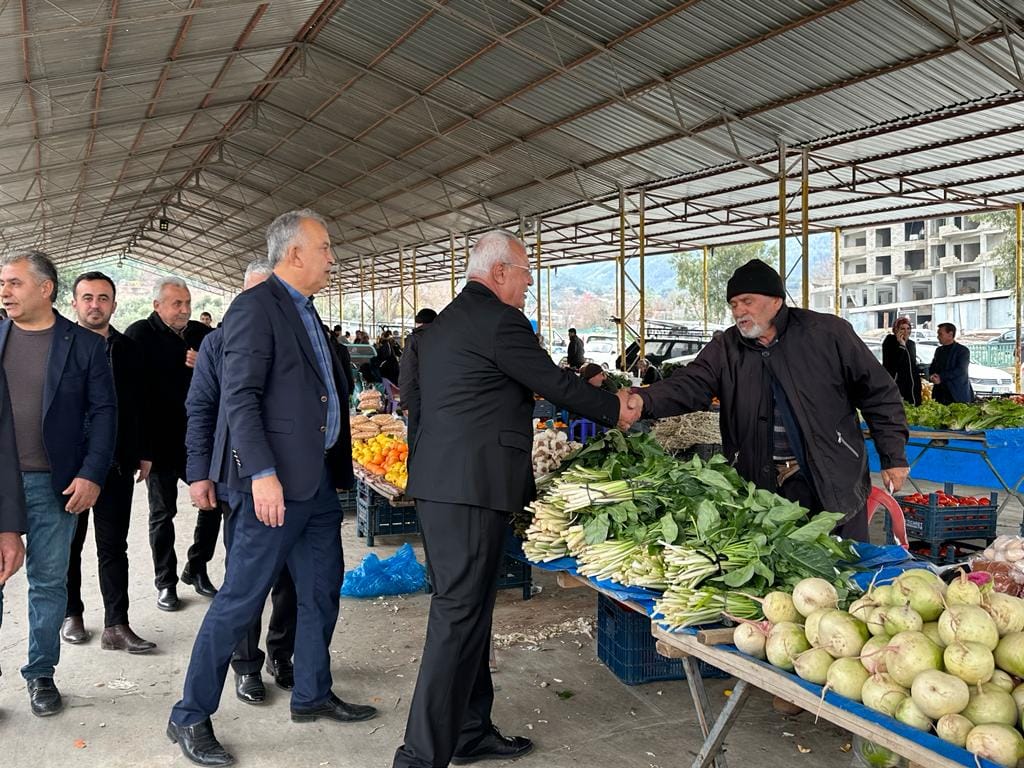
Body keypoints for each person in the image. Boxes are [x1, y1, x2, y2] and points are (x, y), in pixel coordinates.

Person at [392, 230, 638, 768]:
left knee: (471, 612)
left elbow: (416, 402)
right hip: (471, 489)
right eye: (526, 272)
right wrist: (612, 408)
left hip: (440, 486)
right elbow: (551, 381)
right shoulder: (500, 322)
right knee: (457, 616)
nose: (529, 282)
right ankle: (418, 756)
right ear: (499, 271)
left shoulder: (438, 329)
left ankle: (468, 731)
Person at [167, 210, 375, 767]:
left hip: (316, 485)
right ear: (295, 254)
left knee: (322, 589)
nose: (333, 257)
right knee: (241, 600)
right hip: (274, 488)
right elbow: (239, 397)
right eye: (325, 247)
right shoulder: (255, 308)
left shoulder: (304, 311)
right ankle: (189, 715)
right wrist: (260, 473)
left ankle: (310, 691)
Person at [621, 258, 909, 543]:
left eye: (747, 301)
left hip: (830, 476)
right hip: (763, 483)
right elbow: (691, 383)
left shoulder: (827, 334)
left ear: (776, 300)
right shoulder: (726, 347)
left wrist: (893, 455)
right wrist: (644, 400)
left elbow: (879, 392)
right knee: (780, 575)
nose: (739, 311)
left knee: (846, 570)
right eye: (733, 304)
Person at [0, 250, 116, 716]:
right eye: (2, 283)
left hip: (55, 484)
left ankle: (41, 675)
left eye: (13, 282)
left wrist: (91, 473)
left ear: (45, 289)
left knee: (48, 583)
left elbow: (106, 412)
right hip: (0, 479)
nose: (4, 290)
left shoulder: (82, 345)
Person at [185, 259, 297, 707]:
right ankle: (246, 664)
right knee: (246, 576)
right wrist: (199, 472)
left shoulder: (298, 337)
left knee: (289, 576)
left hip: (294, 479)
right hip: (238, 478)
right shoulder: (217, 343)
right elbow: (201, 409)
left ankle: (281, 655)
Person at [61, 272, 156, 654]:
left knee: (113, 547)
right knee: (69, 543)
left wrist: (145, 451)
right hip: (70, 465)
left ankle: (116, 624)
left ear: (113, 305)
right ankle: (72, 614)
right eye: (87, 298)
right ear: (75, 303)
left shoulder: (129, 349)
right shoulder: (60, 347)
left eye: (103, 298)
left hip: (117, 463)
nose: (95, 305)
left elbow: (142, 405)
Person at [125, 277, 218, 611]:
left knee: (212, 503)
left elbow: (226, 378)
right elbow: (133, 396)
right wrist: (142, 450)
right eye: (176, 303)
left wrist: (206, 364)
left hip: (199, 439)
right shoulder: (138, 336)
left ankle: (197, 566)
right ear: (157, 306)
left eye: (187, 303)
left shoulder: (202, 335)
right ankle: (165, 582)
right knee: (162, 513)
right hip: (159, 443)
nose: (184, 310)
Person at [397, 307, 437, 447]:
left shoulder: (415, 340)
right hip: (441, 397)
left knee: (416, 440)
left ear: (418, 322)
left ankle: (415, 468)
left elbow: (408, 372)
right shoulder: (445, 338)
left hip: (418, 397)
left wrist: (406, 402)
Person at [929, 322, 973, 404]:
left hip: (956, 393)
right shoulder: (939, 350)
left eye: (940, 334)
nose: (938, 337)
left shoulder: (962, 351)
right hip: (940, 394)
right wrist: (931, 375)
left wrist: (941, 377)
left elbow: (961, 370)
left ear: (950, 334)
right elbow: (933, 366)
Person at [882, 317, 921, 406]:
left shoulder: (911, 344)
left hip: (912, 384)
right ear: (896, 330)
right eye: (902, 329)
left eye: (908, 328)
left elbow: (912, 364)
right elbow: (892, 363)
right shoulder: (889, 341)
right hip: (898, 383)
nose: (906, 331)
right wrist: (901, 345)